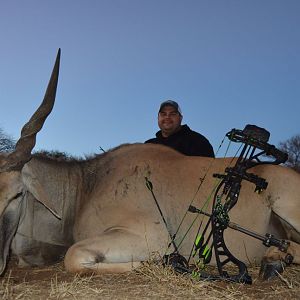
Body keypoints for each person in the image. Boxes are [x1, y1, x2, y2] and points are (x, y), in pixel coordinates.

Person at [145, 100, 215, 157]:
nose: (167, 117)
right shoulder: (148, 145)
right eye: (163, 114)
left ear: (180, 118)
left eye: (173, 114)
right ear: (158, 118)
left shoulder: (197, 141)